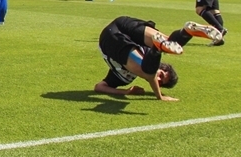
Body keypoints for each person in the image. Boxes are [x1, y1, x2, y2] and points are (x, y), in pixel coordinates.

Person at [94, 16, 223, 102]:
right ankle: (159, 48)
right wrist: (159, 96)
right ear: (161, 67)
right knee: (149, 70)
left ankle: (186, 32)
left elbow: (99, 87)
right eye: (161, 75)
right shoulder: (146, 68)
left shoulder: (124, 77)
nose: (158, 79)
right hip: (114, 34)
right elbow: (151, 76)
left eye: (160, 82)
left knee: (168, 43)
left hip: (116, 33)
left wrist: (125, 91)